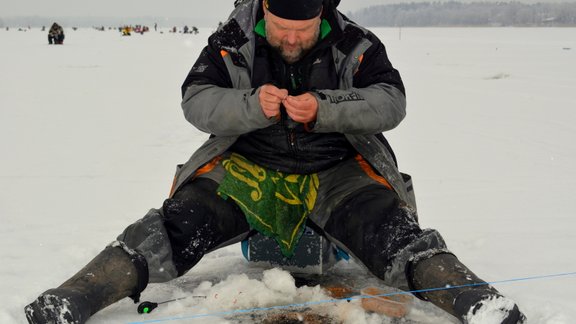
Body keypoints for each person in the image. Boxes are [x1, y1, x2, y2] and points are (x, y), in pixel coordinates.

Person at [25, 0, 526, 323]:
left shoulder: (358, 43)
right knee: (176, 225)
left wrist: (327, 108)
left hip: (340, 171)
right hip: (245, 168)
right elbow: (195, 100)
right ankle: (73, 297)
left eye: (302, 30)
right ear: (265, 8)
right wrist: (249, 106)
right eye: (281, 27)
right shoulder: (231, 40)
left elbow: (391, 102)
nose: (290, 39)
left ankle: (478, 302)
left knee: (390, 230)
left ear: (323, 13)